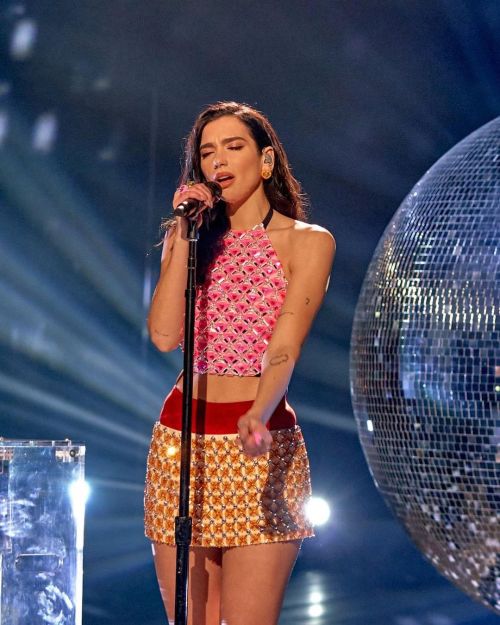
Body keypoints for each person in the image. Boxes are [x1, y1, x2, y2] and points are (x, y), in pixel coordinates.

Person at [144, 101, 335, 625]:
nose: (219, 162)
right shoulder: (190, 241)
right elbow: (163, 335)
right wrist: (184, 234)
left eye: (233, 147)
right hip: (182, 444)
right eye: (207, 153)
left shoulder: (307, 242)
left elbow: (284, 346)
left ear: (266, 160)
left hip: (260, 448)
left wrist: (260, 410)